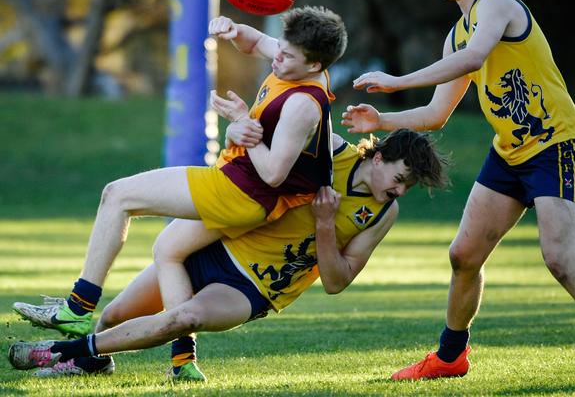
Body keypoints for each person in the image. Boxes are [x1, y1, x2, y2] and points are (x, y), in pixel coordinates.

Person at [341, 0, 575, 389]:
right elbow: (435, 114)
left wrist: (397, 80)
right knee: (464, 254)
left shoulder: (497, 4)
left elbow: (473, 59)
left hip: (556, 144)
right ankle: (450, 357)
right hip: (509, 152)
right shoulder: (455, 34)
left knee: (559, 258)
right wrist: (380, 121)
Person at [12, 5, 348, 354]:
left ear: (314, 66)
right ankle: (183, 358)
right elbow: (255, 41)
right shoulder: (293, 62)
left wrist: (242, 120)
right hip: (241, 190)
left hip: (238, 193)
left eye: (287, 55)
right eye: (280, 46)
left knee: (117, 196)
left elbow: (274, 174)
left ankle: (77, 308)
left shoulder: (302, 106)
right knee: (169, 251)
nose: (276, 56)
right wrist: (233, 29)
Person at [8, 128, 449, 381]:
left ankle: (60, 350)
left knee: (184, 319)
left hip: (251, 288)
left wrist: (325, 225)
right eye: (401, 177)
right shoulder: (331, 152)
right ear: (380, 157)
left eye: (409, 185)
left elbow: (337, 281)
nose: (401, 189)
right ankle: (93, 358)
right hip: (214, 245)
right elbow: (272, 128)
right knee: (113, 317)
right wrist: (240, 127)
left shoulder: (384, 212)